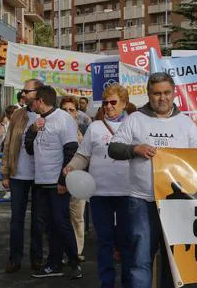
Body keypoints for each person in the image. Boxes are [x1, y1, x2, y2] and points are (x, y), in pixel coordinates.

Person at [108, 72, 197, 288]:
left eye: (167, 93)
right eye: (157, 93)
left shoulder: (185, 123)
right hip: (142, 201)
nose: (162, 98)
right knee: (140, 259)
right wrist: (134, 149)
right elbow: (113, 148)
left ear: (174, 93)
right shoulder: (135, 119)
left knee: (174, 261)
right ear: (149, 94)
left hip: (175, 203)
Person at [65, 84, 136, 288]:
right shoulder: (95, 127)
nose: (109, 106)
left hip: (127, 193)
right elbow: (83, 155)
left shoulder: (133, 125)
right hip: (100, 194)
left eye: (113, 102)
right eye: (105, 103)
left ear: (124, 103)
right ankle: (107, 283)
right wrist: (71, 167)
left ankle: (129, 283)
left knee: (125, 243)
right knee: (104, 242)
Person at [25, 86, 82, 279]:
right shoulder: (37, 120)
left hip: (56, 182)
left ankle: (74, 262)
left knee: (61, 223)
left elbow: (71, 150)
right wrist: (32, 131)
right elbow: (30, 149)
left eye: (33, 100)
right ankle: (54, 263)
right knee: (49, 226)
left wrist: (63, 180)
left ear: (41, 101)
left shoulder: (62, 119)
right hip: (40, 181)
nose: (31, 104)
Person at [2, 80, 45, 274]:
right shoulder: (18, 114)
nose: (24, 94)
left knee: (38, 220)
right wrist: (5, 172)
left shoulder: (49, 113)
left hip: (41, 175)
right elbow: (8, 142)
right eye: (25, 91)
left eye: (28, 90)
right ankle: (15, 259)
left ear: (38, 92)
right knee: (16, 220)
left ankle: (37, 258)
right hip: (18, 174)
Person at [60, 96, 87, 262]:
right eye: (64, 109)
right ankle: (63, 251)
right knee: (61, 218)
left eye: (71, 109)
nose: (68, 113)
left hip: (79, 180)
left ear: (77, 112)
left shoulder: (84, 130)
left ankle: (76, 251)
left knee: (77, 217)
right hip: (60, 180)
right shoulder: (55, 129)